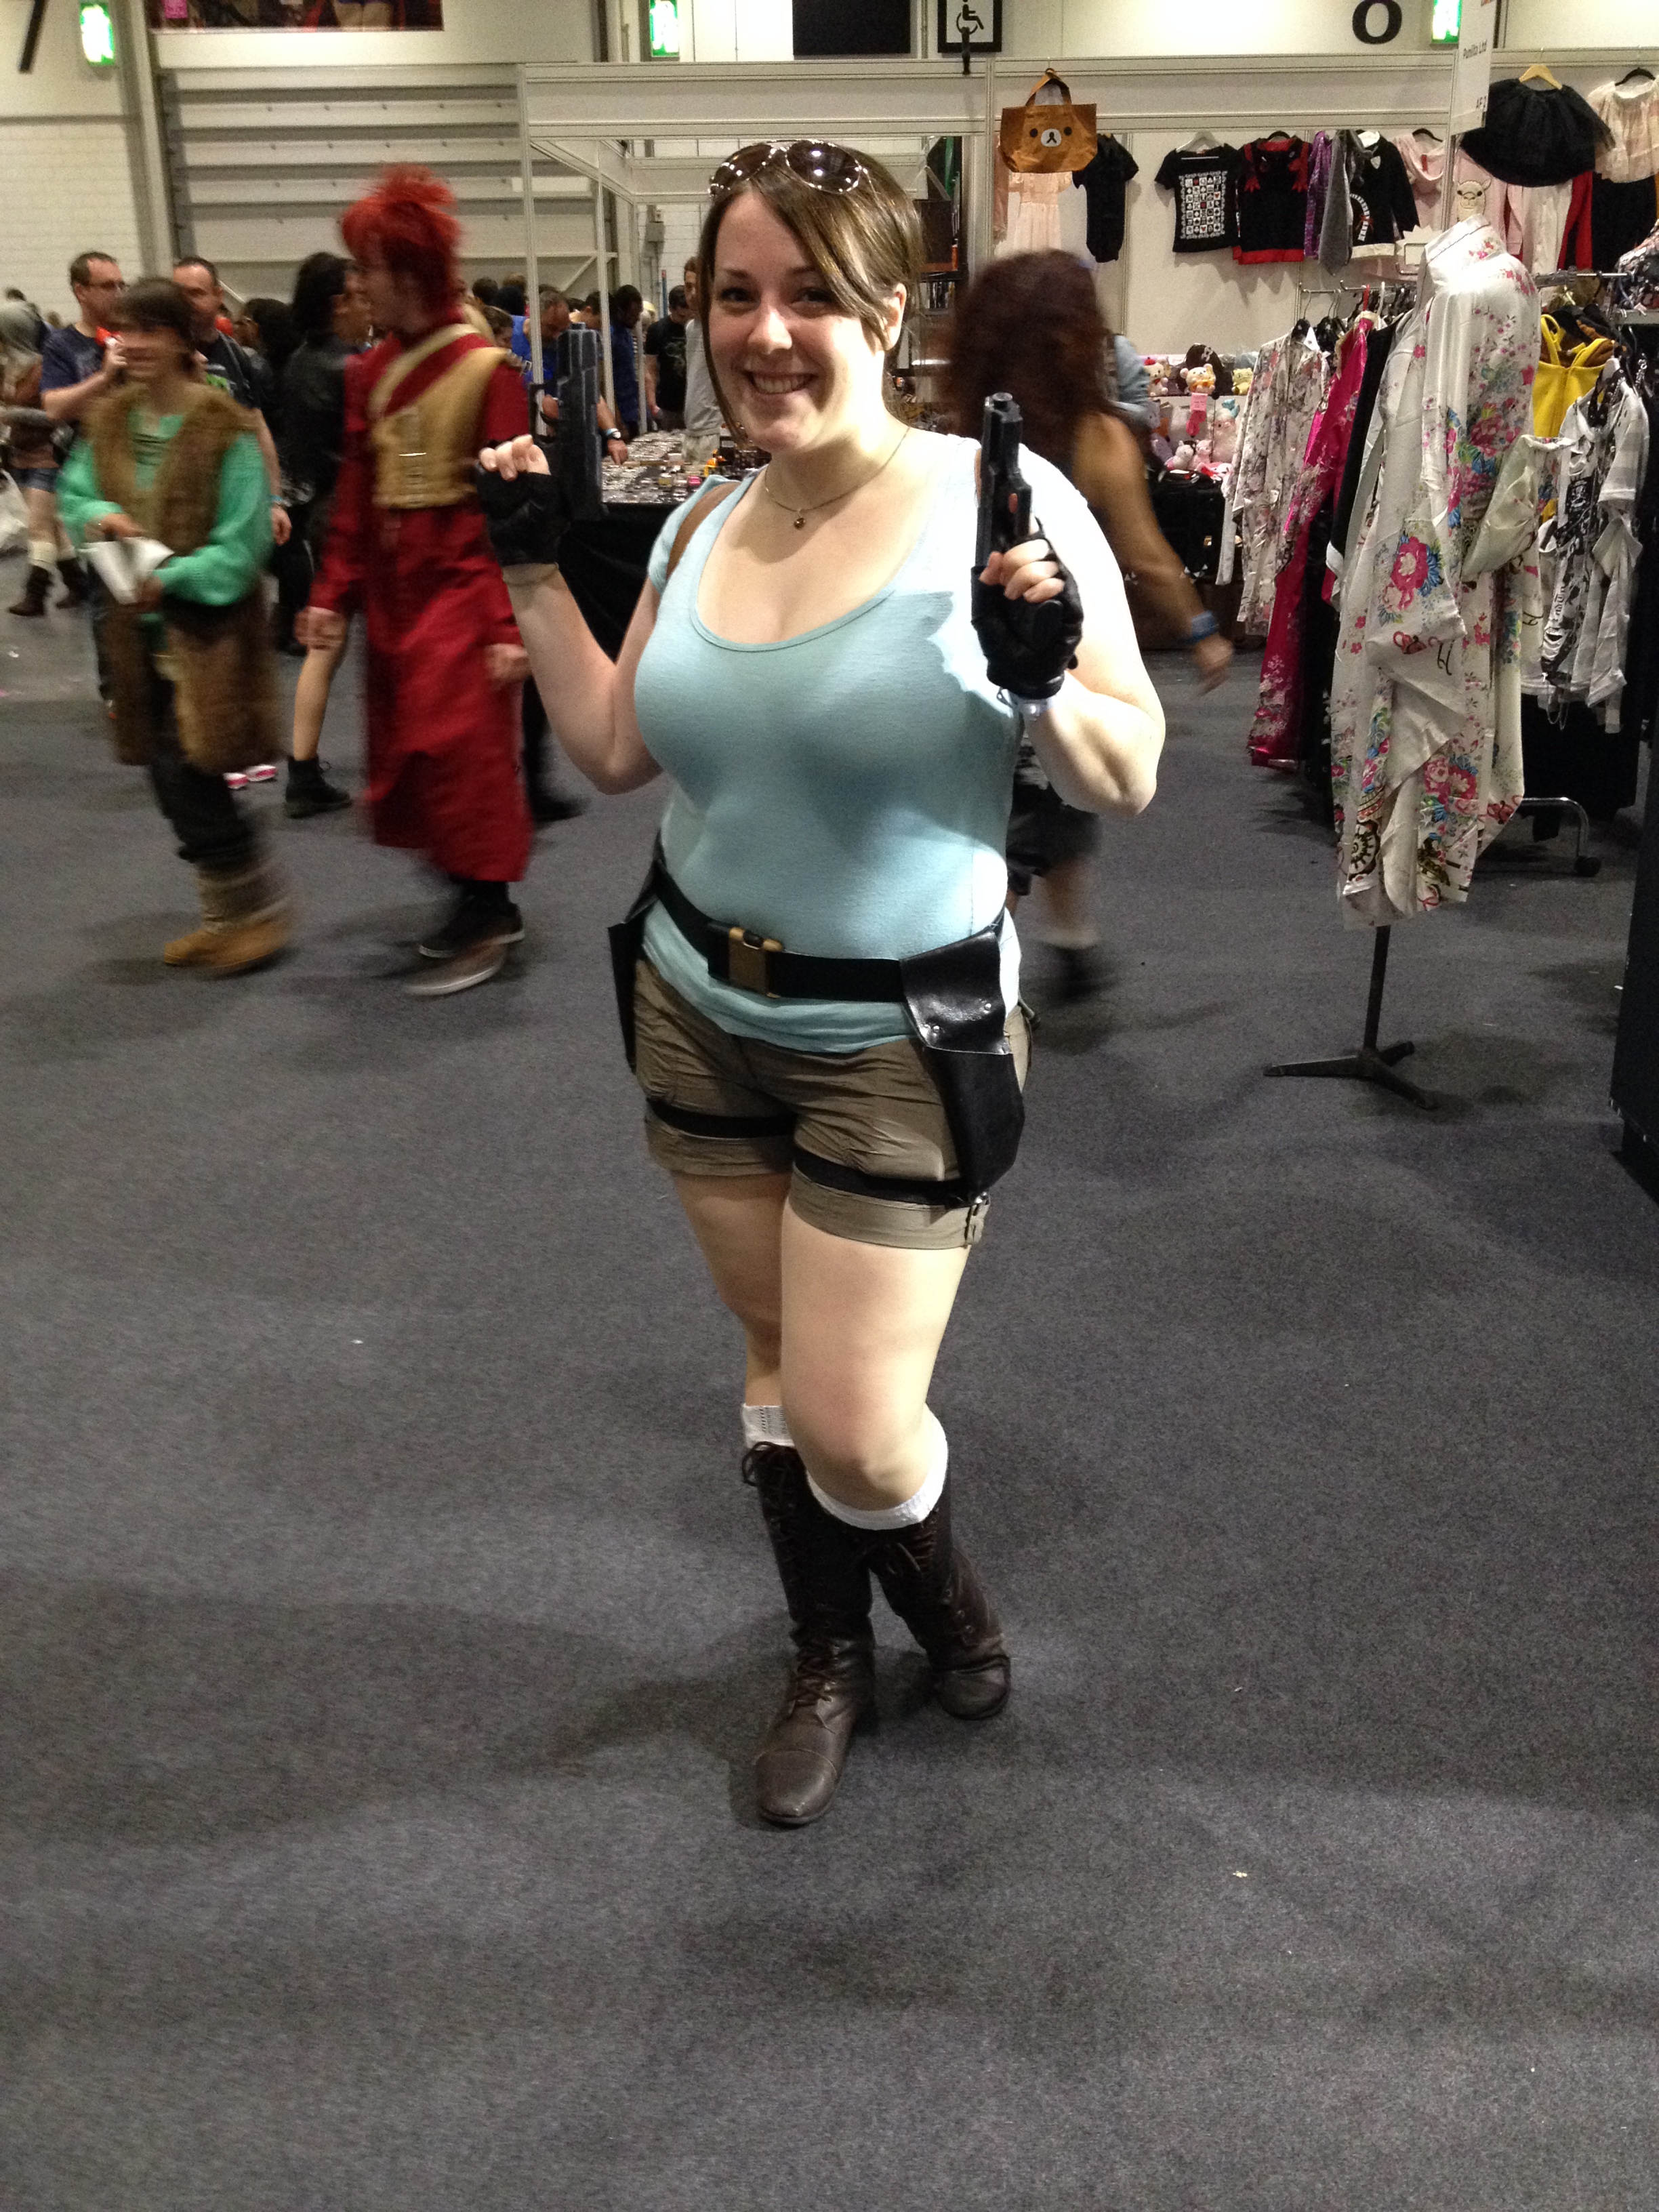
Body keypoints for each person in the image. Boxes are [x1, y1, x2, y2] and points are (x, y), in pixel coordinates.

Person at [478, 141, 1162, 1824]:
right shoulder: (705, 515)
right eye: (734, 294)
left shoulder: (997, 500)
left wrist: (1040, 681)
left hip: (899, 1035)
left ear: (886, 311)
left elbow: (1130, 769)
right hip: (695, 1009)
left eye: (808, 295)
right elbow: (615, 750)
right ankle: (828, 1650)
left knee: (856, 1425)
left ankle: (946, 1604)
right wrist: (526, 568)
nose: (765, 331)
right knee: (776, 1359)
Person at [949, 251, 1232, 1001]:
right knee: (1054, 798)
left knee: (1010, 814)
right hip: (1059, 657)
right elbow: (1147, 554)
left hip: (970, 648)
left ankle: (1049, 941)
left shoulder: (959, 434)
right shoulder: (1097, 436)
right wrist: (1202, 630)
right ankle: (1007, 972)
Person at [299, 167, 533, 997]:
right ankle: (472, 899)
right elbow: (358, 493)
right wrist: (332, 592)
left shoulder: (488, 370)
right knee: (405, 751)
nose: (358, 285)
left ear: (410, 273)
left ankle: (489, 907)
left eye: (369, 268)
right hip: (399, 592)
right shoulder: (370, 372)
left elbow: (514, 517)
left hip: (464, 586)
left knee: (461, 753)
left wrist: (507, 624)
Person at [56, 279, 287, 974]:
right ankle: (228, 919)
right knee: (172, 779)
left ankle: (255, 916)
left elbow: (242, 545)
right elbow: (75, 493)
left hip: (207, 635)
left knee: (190, 772)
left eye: (148, 331)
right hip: (136, 635)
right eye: (123, 331)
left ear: (185, 340)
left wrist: (174, 577)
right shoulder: (110, 422)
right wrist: (99, 515)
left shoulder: (223, 428)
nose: (131, 344)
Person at [279, 251, 372, 815]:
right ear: (339, 303)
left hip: (321, 511)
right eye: (360, 297)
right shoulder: (356, 369)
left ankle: (303, 770)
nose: (369, 307)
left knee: (327, 643)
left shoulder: (296, 365)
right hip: (360, 512)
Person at [171, 259, 292, 556]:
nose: (187, 304)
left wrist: (275, 501)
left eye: (196, 293)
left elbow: (257, 426)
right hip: (181, 504)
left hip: (233, 502)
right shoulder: (166, 355)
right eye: (179, 295)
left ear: (218, 296)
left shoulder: (237, 356)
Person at [3, 302, 88, 617]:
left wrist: (12, 414)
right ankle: (78, 583)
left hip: (47, 455)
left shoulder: (44, 367)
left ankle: (35, 595)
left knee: (39, 527)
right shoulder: (15, 366)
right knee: (53, 525)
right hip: (23, 454)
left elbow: (55, 415)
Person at [679, 255, 724, 447]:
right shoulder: (691, 328)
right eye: (688, 287)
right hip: (692, 431)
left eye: (699, 287)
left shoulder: (722, 328)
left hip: (715, 432)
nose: (693, 294)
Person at [643, 283, 692, 428]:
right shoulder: (657, 330)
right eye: (681, 316)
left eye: (689, 315)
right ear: (671, 309)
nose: (686, 320)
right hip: (668, 404)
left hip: (695, 401)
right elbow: (650, 369)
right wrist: (652, 403)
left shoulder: (697, 328)